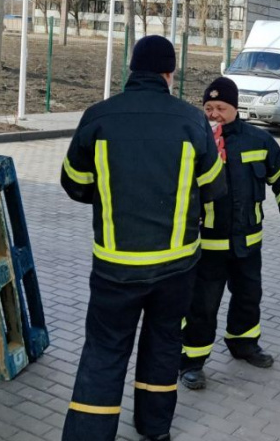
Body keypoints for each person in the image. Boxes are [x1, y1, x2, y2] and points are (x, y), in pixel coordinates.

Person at [60, 35, 226, 441]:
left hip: (115, 265)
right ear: (170, 74)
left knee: (105, 351)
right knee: (163, 344)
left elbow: (74, 183)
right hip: (177, 266)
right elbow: (213, 187)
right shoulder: (192, 121)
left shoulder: (98, 117)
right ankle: (154, 429)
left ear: (132, 70)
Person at [179, 77, 280, 390]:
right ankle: (191, 361)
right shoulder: (193, 140)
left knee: (248, 297)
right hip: (207, 245)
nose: (214, 113)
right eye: (208, 107)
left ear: (235, 108)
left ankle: (243, 344)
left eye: (221, 107)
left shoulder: (257, 140)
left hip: (248, 242)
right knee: (202, 305)